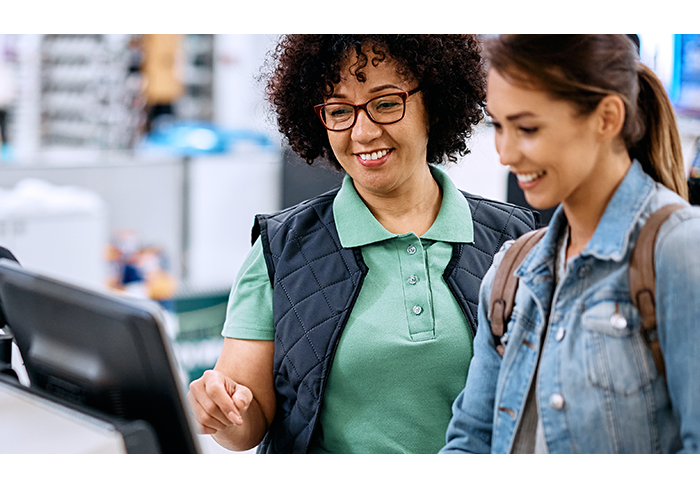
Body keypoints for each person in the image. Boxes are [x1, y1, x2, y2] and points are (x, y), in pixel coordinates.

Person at [188, 34, 538, 454]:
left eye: (387, 103)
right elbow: (247, 421)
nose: (364, 132)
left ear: (436, 103)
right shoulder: (281, 249)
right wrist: (221, 412)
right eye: (339, 111)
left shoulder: (514, 239)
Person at [440, 34, 700, 454]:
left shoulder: (690, 256)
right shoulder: (513, 271)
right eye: (498, 126)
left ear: (607, 117)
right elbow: (472, 439)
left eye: (527, 128)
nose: (505, 153)